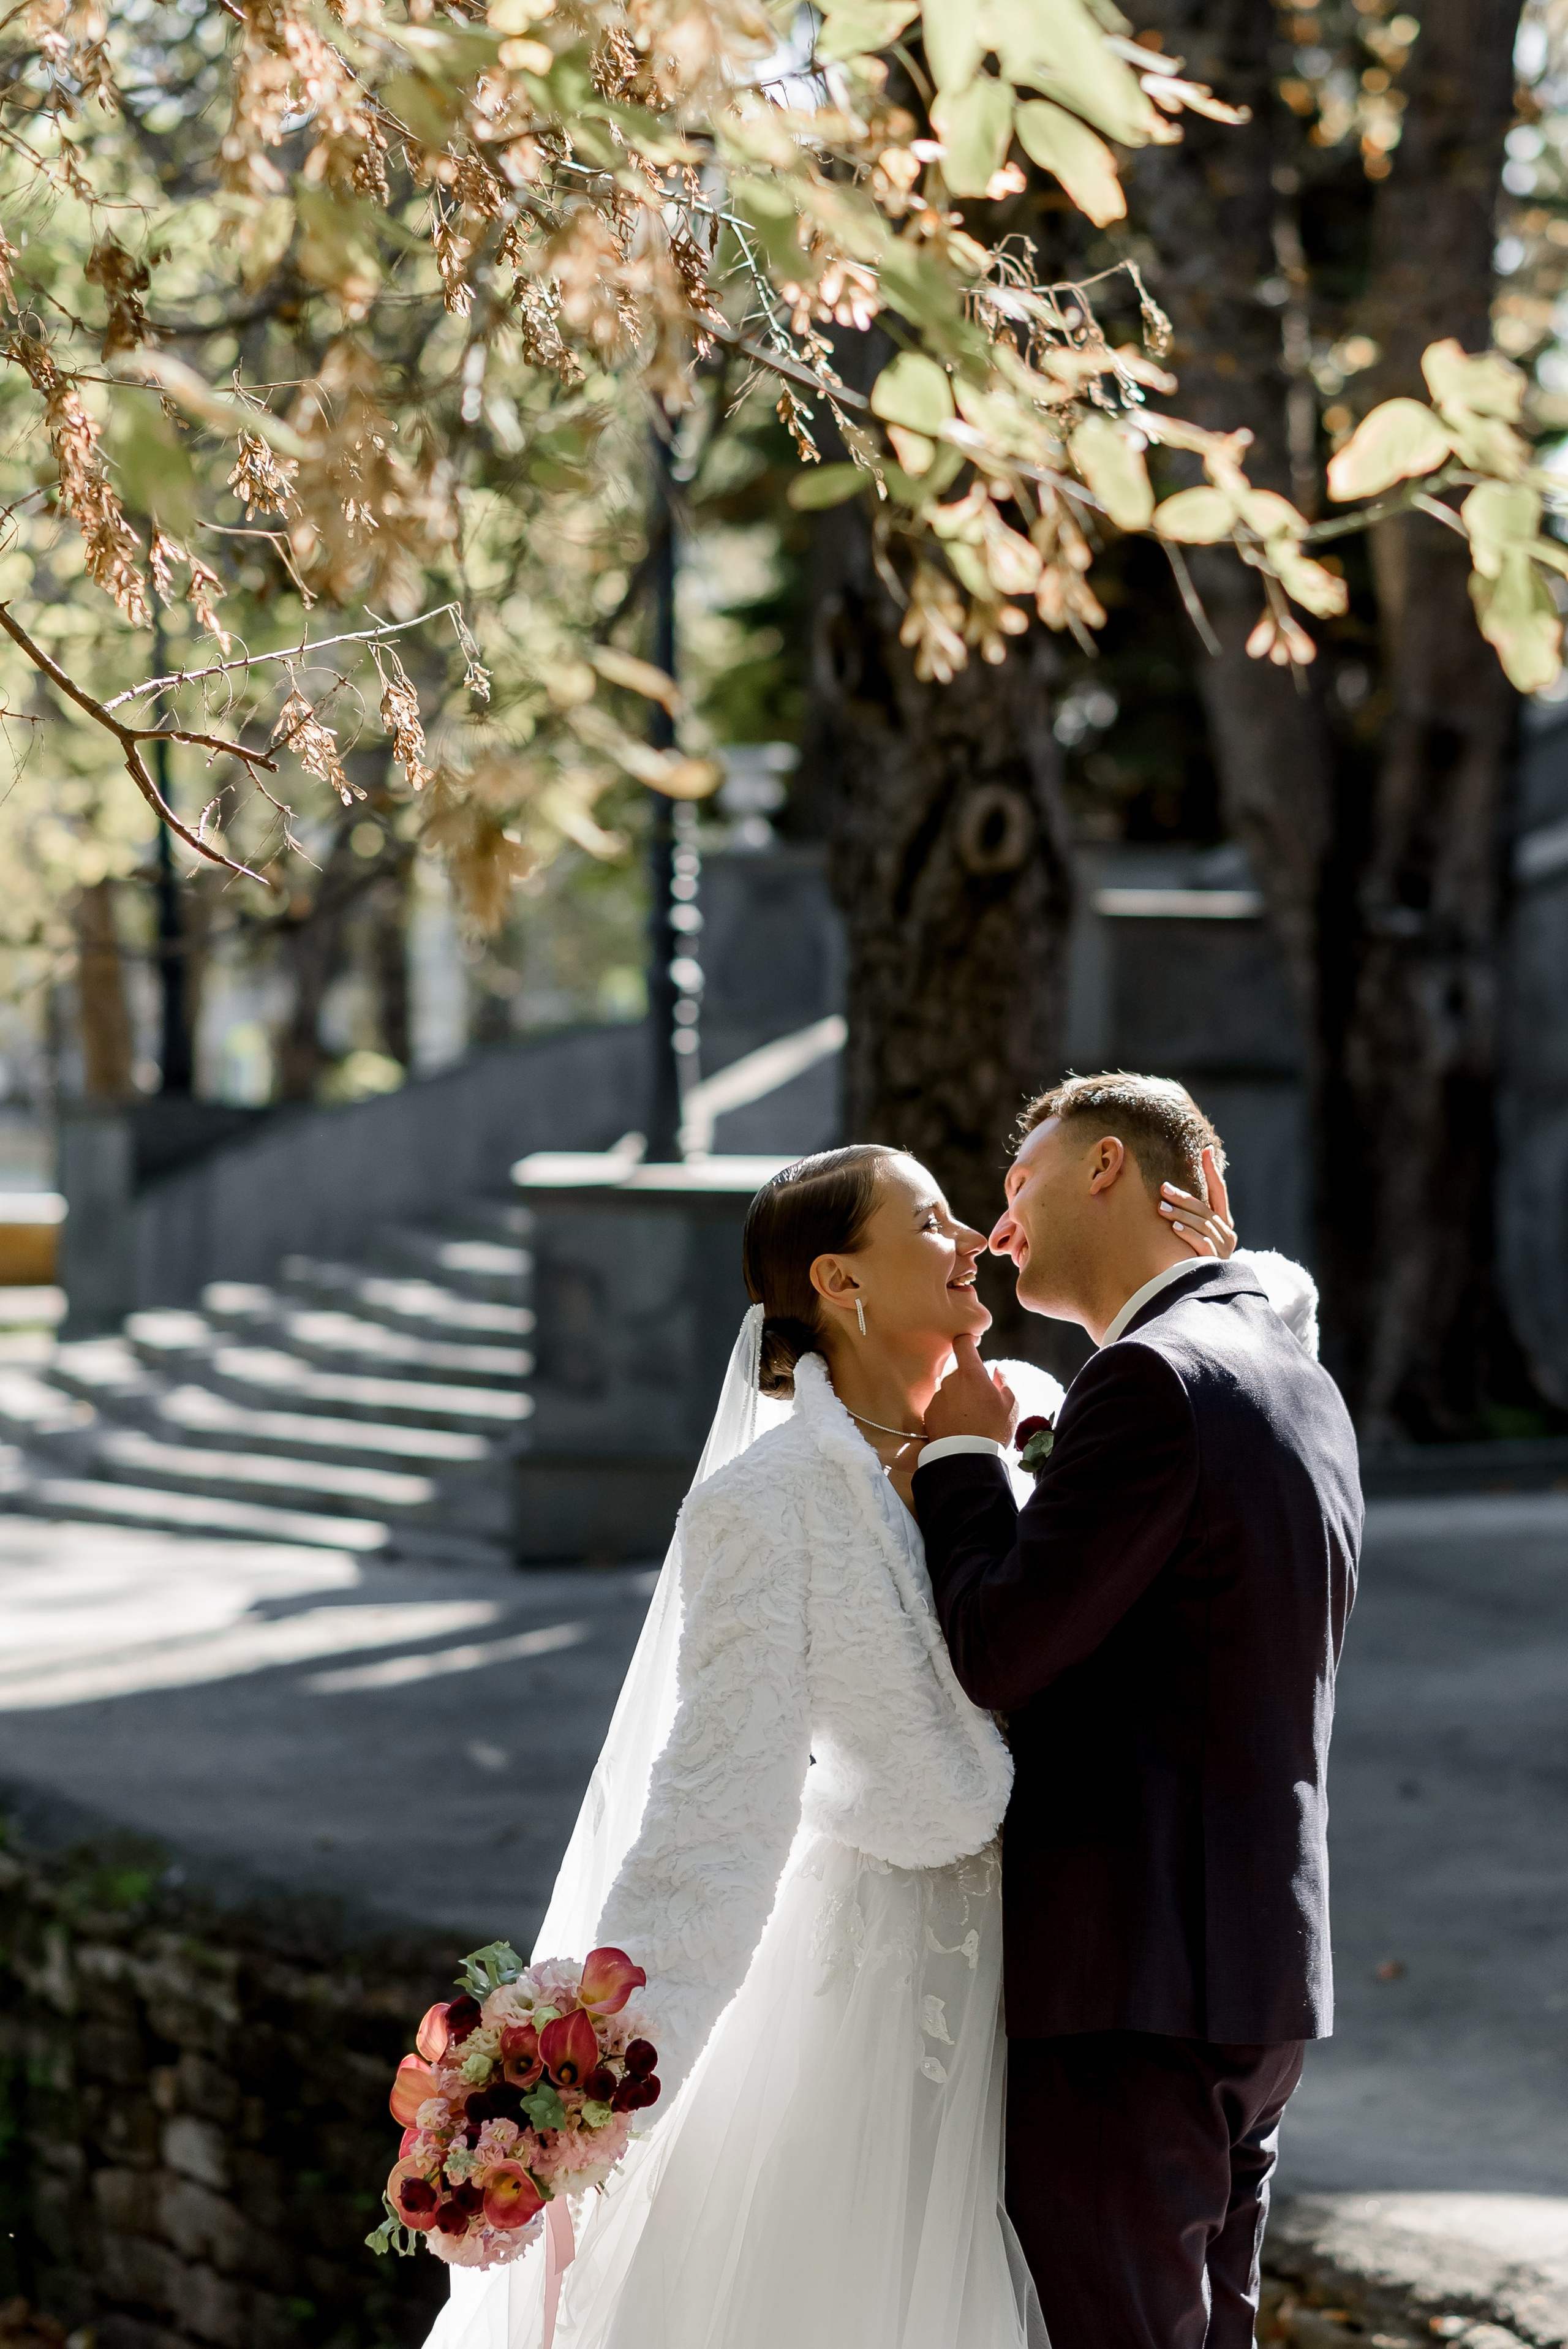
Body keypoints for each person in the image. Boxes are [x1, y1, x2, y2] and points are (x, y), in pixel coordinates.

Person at [424, 1138, 1265, 2349]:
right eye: (927, 1222)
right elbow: (713, 1818)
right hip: (882, 2009)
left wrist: (1214, 1278)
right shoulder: (764, 1508)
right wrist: (573, 2085)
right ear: (838, 1279)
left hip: (1075, 1984)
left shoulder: (1037, 1418)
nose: (973, 1237)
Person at [914, 1073, 1363, 2349]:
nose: (997, 1232)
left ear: (1106, 1166)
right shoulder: (1287, 1371)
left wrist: (957, 1458)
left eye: (1016, 1187)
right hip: (1252, 1975)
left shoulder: (1148, 1383)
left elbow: (998, 1647)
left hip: (1129, 1978)